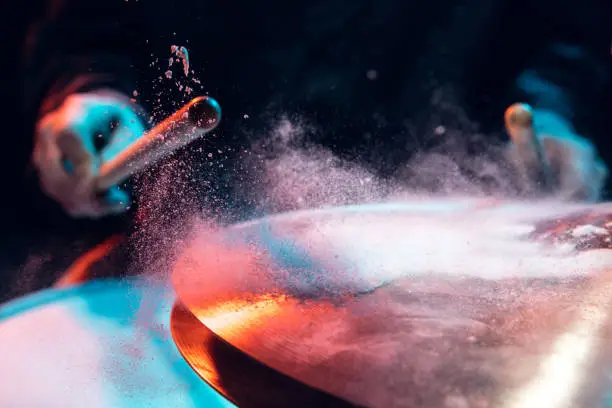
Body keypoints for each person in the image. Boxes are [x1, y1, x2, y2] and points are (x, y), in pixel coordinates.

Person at [18, 0, 611, 283]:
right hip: (186, 248)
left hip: (450, 252)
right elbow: (87, 22)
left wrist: (554, 109)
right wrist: (88, 90)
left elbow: (569, 26)